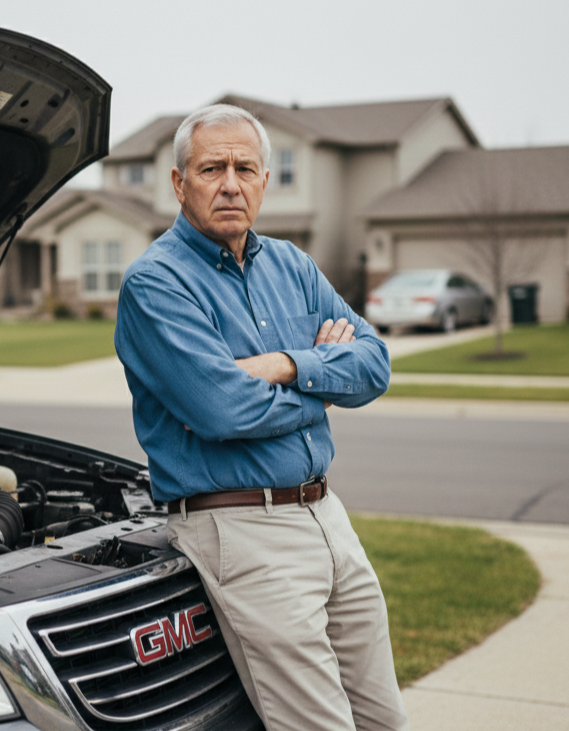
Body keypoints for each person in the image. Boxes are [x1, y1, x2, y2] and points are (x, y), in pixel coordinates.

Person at [114, 104, 409, 731]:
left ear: (265, 181)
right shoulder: (156, 283)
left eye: (245, 168)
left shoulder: (292, 266)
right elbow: (221, 408)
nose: (230, 183)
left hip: (328, 517)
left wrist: (280, 365)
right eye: (211, 167)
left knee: (385, 720)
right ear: (178, 182)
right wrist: (325, 376)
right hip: (243, 529)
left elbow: (376, 363)